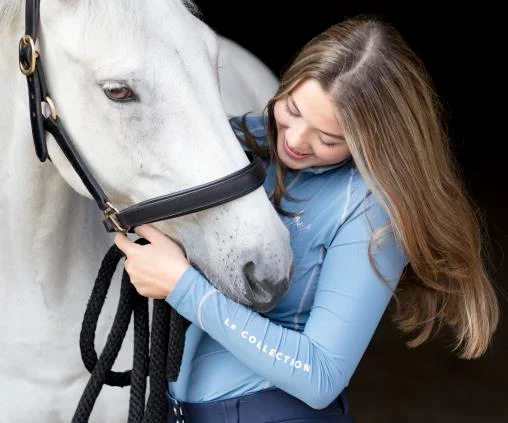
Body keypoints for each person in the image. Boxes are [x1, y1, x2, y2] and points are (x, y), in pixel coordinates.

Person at [114, 16, 500, 422]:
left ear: (370, 143)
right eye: (293, 110)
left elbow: (321, 375)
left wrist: (182, 287)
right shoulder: (242, 145)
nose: (296, 140)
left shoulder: (371, 209)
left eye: (329, 138)